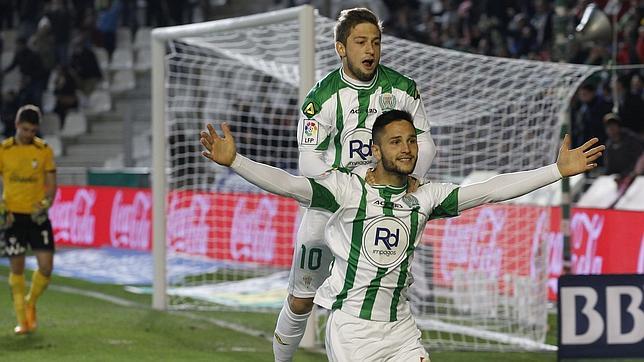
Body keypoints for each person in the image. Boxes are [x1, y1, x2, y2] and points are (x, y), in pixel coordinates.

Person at [200, 110, 603, 361]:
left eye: (411, 140)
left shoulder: (426, 196)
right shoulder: (347, 189)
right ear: (375, 150)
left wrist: (555, 171)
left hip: (401, 328)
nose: (407, 148)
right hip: (353, 330)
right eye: (396, 142)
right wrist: (236, 160)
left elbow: (491, 189)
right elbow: (289, 185)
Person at [274, 8, 437, 360]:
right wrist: (350, 186)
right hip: (331, 208)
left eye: (375, 42)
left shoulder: (403, 89)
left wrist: (409, 179)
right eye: (360, 42)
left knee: (382, 293)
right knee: (302, 298)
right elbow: (308, 160)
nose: (370, 50)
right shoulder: (322, 98)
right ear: (341, 48)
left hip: (382, 208)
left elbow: (426, 143)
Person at [0, 104, 57, 335]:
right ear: (16, 126)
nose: (28, 135)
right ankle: (23, 320)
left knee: (46, 266)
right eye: (25, 130)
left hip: (36, 216)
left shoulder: (43, 151)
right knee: (17, 266)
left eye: (33, 130)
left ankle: (31, 300)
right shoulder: (4, 150)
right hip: (14, 216)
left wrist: (45, 205)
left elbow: (52, 185)